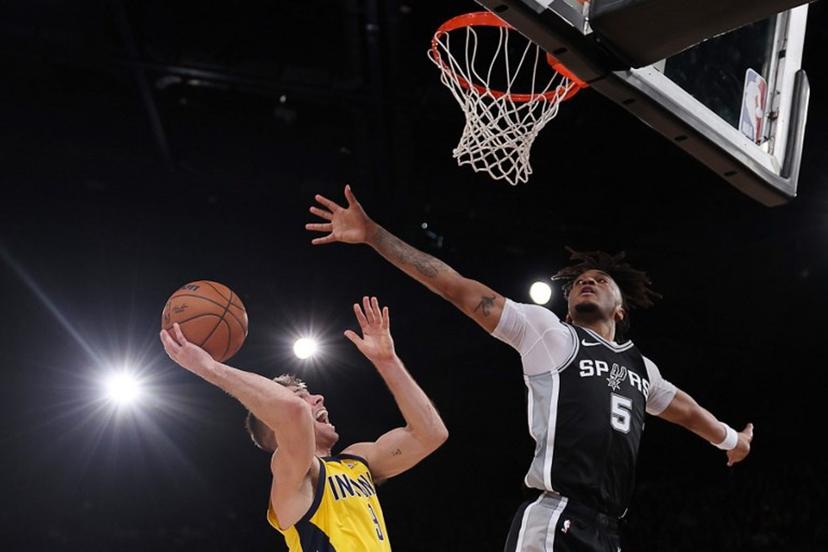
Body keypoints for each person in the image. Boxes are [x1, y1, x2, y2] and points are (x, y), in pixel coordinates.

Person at [306, 186, 754, 552]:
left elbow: (688, 411)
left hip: (609, 531)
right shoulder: (550, 334)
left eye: (600, 279)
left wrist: (732, 440)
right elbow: (455, 288)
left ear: (620, 310)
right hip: (557, 515)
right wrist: (374, 234)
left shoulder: (643, 369)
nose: (587, 280)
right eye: (580, 280)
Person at [160, 296, 448, 551]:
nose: (318, 398)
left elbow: (430, 434)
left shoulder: (357, 461)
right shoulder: (292, 473)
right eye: (303, 394)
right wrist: (208, 367)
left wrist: (388, 361)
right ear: (274, 427)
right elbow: (293, 413)